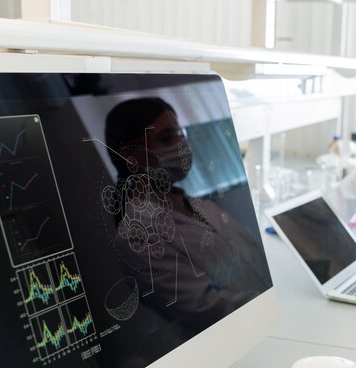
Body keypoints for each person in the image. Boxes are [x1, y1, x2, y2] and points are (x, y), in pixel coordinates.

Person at [103, 97, 271, 334]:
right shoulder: (137, 237)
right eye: (167, 137)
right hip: (230, 342)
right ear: (131, 156)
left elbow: (253, 259)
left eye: (180, 133)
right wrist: (274, 307)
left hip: (265, 324)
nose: (181, 144)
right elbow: (209, 307)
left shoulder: (201, 206)